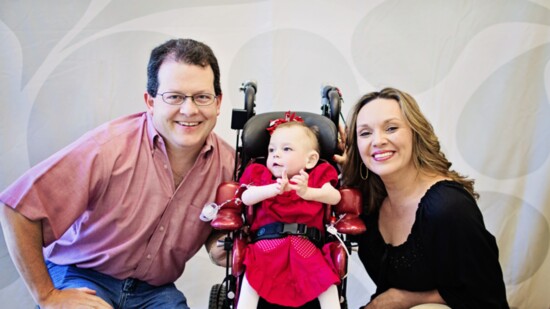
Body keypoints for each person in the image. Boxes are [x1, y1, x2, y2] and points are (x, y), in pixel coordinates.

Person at [0, 38, 235, 309]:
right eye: (174, 97)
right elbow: (17, 209)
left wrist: (219, 244)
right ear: (150, 101)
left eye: (202, 97)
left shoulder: (229, 166)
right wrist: (47, 296)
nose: (189, 109)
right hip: (83, 274)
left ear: (217, 102)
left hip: (155, 291)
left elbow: (211, 226)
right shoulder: (107, 148)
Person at [340, 88, 509, 309]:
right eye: (364, 133)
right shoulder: (369, 204)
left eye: (391, 128)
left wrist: (404, 299)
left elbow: (486, 298)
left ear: (414, 133)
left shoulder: (447, 207)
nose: (378, 141)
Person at [235, 112, 342, 309]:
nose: (275, 154)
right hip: (266, 244)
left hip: (306, 245)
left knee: (327, 284)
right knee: (251, 279)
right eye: (271, 149)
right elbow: (245, 198)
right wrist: (271, 189)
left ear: (310, 160)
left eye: (286, 149)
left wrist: (307, 192)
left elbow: (335, 197)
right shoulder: (260, 174)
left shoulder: (317, 175)